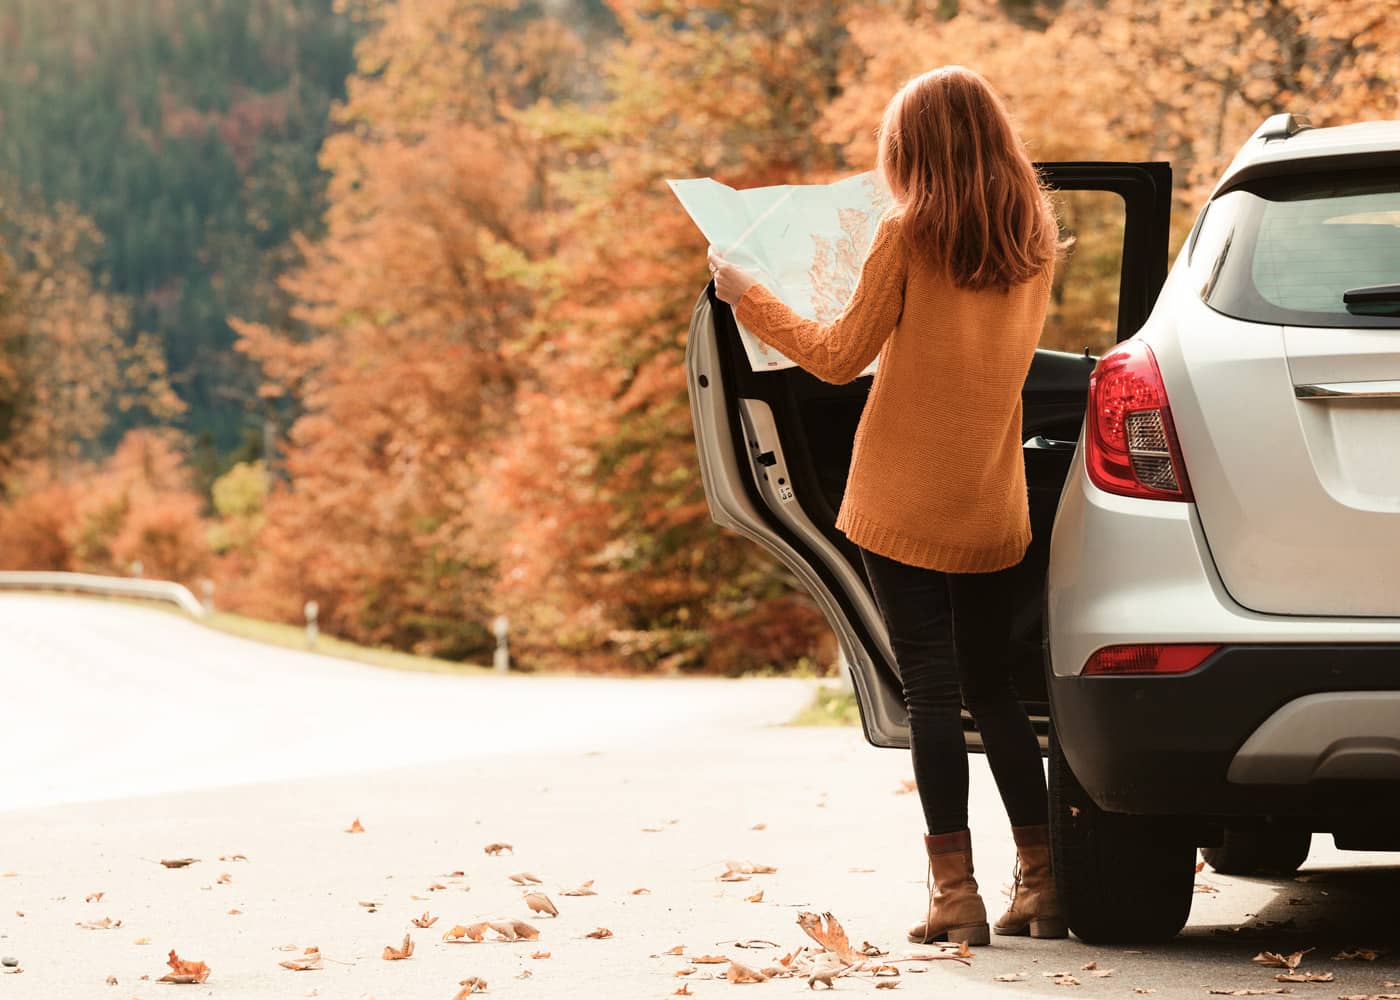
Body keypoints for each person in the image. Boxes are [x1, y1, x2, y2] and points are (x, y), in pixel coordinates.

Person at [707, 66, 1066, 946]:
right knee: (997, 689)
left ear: (908, 150)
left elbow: (836, 358)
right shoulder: (1036, 233)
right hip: (990, 492)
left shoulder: (907, 232)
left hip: (902, 492)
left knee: (933, 696)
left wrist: (746, 295)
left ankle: (956, 897)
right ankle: (1045, 882)